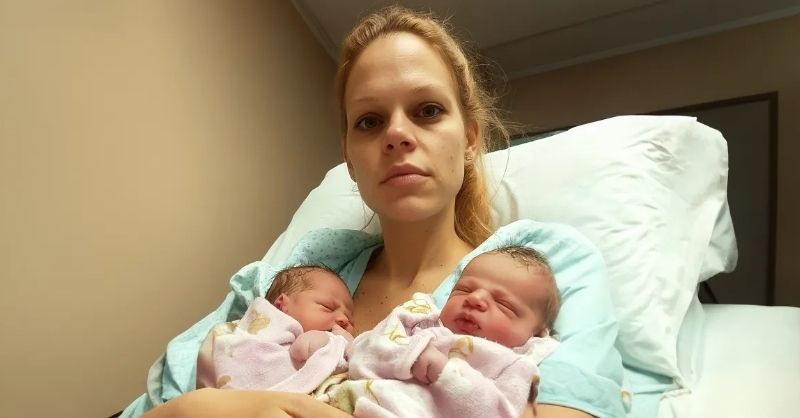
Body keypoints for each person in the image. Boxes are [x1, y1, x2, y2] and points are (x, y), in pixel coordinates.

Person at [132, 5, 625, 418]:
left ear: (470, 139)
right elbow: (160, 402)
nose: (397, 134)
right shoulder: (302, 273)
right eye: (369, 121)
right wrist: (210, 408)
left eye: (427, 111)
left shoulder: (542, 269)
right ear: (349, 158)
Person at [322, 246, 560, 417]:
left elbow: (498, 413)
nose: (475, 298)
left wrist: (446, 374)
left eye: (503, 304)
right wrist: (408, 355)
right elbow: (363, 351)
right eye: (464, 289)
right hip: (347, 402)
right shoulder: (418, 319)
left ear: (537, 334)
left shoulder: (514, 365)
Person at [195, 265, 354, 393]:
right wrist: (338, 343)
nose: (344, 319)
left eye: (349, 318)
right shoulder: (268, 325)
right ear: (281, 304)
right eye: (327, 307)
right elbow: (302, 349)